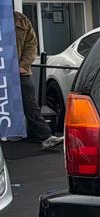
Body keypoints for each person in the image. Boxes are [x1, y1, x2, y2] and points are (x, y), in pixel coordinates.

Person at [14, 11, 63, 150]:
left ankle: (46, 137)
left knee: (30, 104)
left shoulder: (21, 20)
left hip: (20, 73)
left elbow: (31, 45)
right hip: (4, 72)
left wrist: (23, 65)